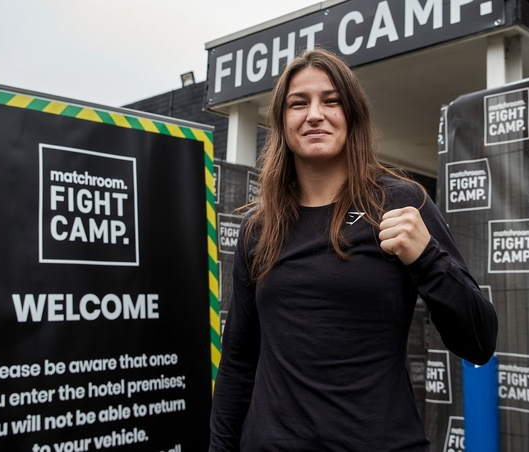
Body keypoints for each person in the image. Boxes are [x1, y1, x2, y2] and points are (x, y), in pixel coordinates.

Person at [209, 48, 497, 451]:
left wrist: (427, 256)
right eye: (298, 103)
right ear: (281, 122)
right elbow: (239, 361)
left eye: (331, 101)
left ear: (352, 116)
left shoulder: (399, 202)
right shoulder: (259, 227)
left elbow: (479, 342)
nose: (314, 114)